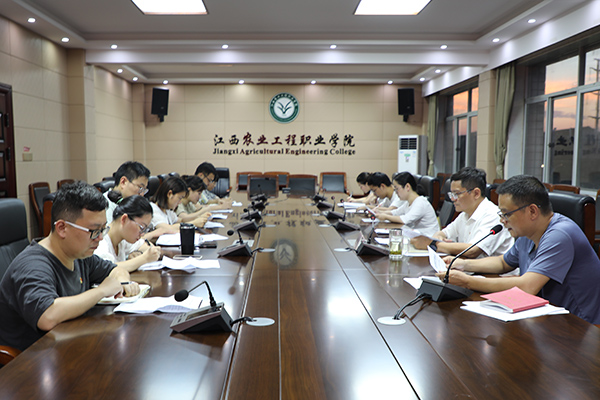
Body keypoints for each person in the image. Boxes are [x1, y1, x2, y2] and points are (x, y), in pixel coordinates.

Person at [440, 175, 600, 324]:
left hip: (580, 326)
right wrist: (463, 264)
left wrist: (467, 281)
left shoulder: (560, 235)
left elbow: (527, 287)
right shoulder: (528, 233)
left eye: (506, 214)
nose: (502, 221)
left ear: (532, 211)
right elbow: (503, 263)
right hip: (547, 317)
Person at [0, 181, 140, 351]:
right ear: (62, 228)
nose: (100, 238)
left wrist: (122, 283)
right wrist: (102, 291)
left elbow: (115, 270)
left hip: (68, 345)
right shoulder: (33, 265)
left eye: (103, 229)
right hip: (32, 359)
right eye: (94, 231)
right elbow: (47, 316)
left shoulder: (80, 254)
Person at [412, 167, 513, 258]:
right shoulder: (464, 214)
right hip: (469, 268)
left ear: (476, 193)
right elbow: (443, 233)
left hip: (493, 272)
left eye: (456, 194)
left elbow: (473, 250)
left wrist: (433, 244)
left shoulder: (493, 215)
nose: (452, 199)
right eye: (451, 194)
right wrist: (439, 237)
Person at [94, 195, 161, 272]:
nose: (142, 234)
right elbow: (108, 269)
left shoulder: (122, 239)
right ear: (124, 219)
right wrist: (144, 258)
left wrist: (138, 253)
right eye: (141, 228)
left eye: (145, 230)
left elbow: (146, 246)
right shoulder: (101, 241)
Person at [374, 172, 440, 237]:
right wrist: (379, 212)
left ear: (407, 186)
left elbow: (405, 220)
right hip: (418, 236)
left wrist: (385, 216)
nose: (396, 193)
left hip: (429, 238)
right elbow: (395, 212)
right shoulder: (408, 203)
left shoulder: (420, 202)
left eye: (397, 189)